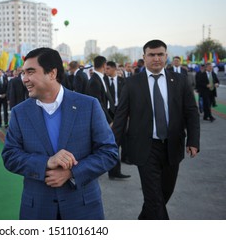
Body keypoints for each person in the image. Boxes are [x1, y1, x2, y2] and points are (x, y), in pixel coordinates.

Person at [2, 47, 118, 220]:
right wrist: (46, 163)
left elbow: (109, 152)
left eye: (31, 72)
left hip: (82, 208)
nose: (24, 79)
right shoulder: (20, 112)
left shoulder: (88, 105)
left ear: (52, 73)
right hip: (37, 209)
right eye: (23, 73)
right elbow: (10, 156)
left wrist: (72, 173)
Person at [112, 40, 200, 220]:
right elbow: (120, 117)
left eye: (160, 54)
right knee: (154, 199)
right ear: (144, 58)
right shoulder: (132, 83)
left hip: (172, 146)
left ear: (166, 56)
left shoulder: (180, 81)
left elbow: (191, 112)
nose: (156, 58)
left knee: (163, 194)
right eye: (151, 55)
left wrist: (193, 140)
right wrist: (112, 146)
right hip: (145, 148)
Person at [104, 61, 130, 179]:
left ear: (114, 69)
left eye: (108, 69)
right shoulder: (103, 81)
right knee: (113, 143)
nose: (106, 71)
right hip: (109, 114)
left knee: (123, 140)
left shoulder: (123, 81)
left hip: (122, 114)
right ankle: (113, 171)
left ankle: (124, 161)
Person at [86, 56, 114, 124]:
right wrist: (109, 121)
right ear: (104, 65)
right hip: (101, 118)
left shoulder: (101, 78)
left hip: (107, 113)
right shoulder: (95, 81)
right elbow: (98, 104)